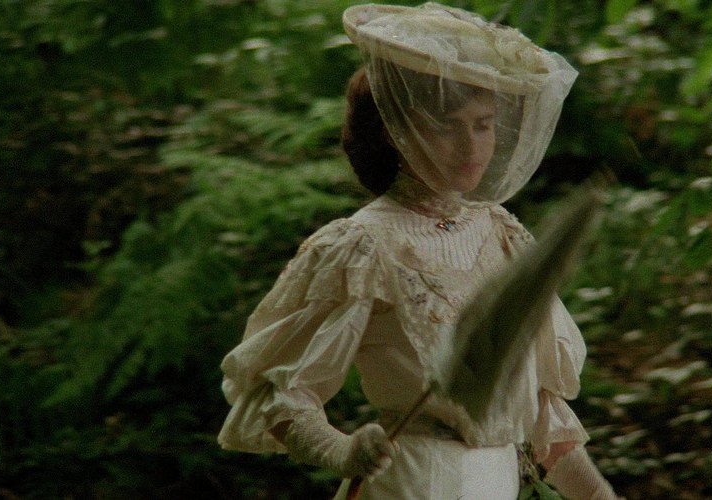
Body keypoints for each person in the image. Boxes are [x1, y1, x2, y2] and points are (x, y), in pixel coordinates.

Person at [218, 3, 617, 499]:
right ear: (395, 130)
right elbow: (277, 388)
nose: (471, 146)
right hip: (412, 482)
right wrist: (339, 450)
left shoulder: (504, 235)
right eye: (447, 126)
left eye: (483, 124)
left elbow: (543, 416)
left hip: (499, 483)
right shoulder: (360, 246)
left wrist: (600, 496)